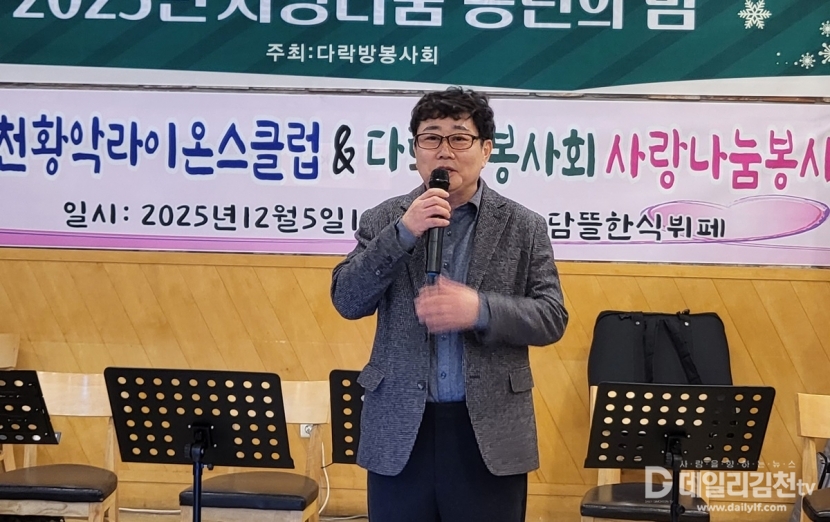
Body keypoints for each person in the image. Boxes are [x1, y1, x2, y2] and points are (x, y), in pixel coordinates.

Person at [330, 87, 568, 522]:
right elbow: (347, 299)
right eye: (431, 138)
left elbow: (552, 316)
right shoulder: (384, 219)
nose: (444, 150)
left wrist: (480, 309)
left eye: (459, 138)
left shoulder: (524, 226)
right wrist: (402, 234)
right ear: (415, 149)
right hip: (401, 429)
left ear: (486, 150)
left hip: (488, 432)